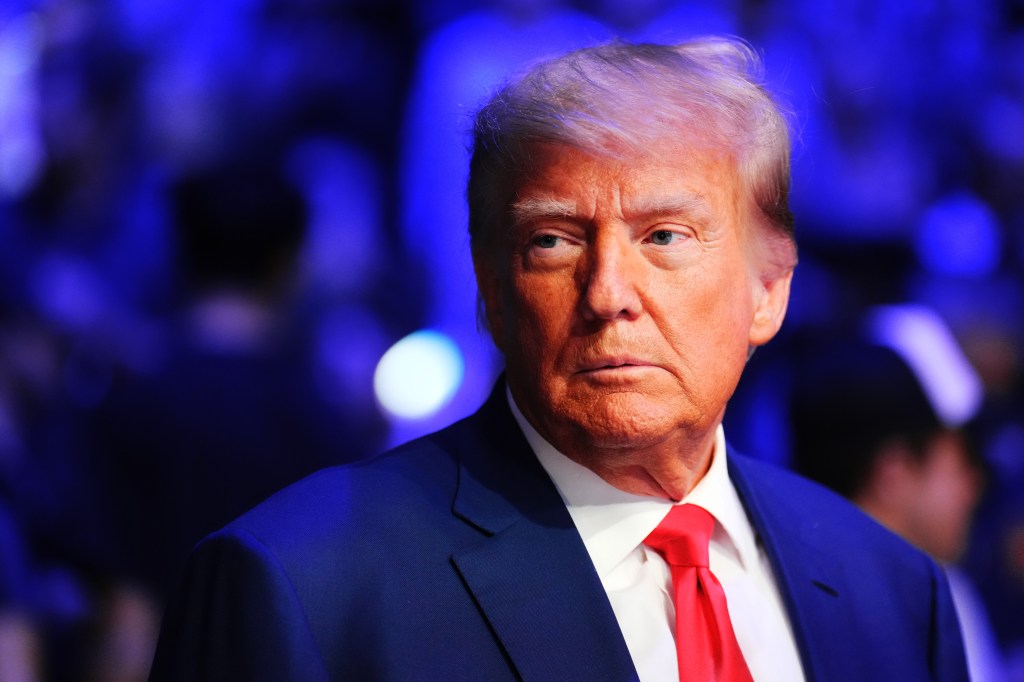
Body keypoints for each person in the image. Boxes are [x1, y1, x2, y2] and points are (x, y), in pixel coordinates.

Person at [150, 37, 968, 681]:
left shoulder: (895, 594)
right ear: (490, 290)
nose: (608, 291)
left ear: (769, 290)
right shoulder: (302, 586)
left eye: (664, 237)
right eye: (553, 241)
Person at [790, 335, 1005, 682]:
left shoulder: (947, 589)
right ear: (894, 473)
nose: (973, 486)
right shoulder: (811, 612)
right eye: (959, 462)